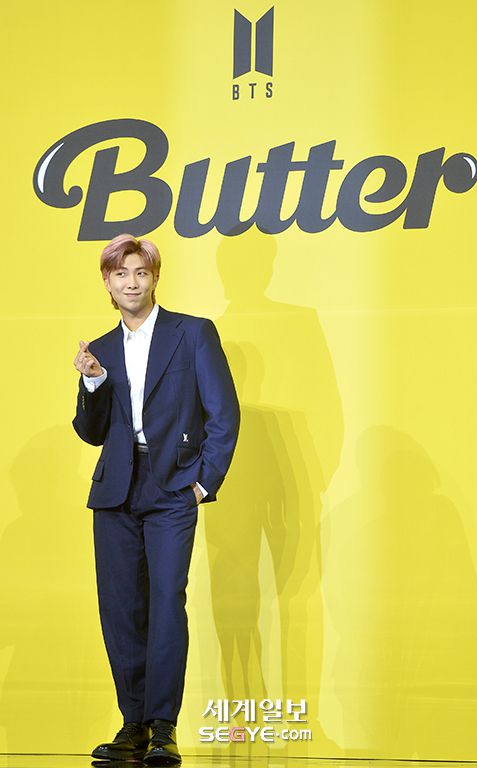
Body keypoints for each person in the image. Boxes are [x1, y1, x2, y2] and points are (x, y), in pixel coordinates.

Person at [72, 234, 240, 765]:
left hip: (172, 486)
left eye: (140, 273)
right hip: (116, 491)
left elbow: (224, 414)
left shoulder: (192, 333)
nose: (131, 282)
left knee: (167, 602)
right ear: (107, 282)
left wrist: (202, 482)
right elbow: (91, 433)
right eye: (120, 274)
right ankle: (133, 725)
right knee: (121, 608)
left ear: (154, 278)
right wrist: (92, 383)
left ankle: (163, 726)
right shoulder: (99, 349)